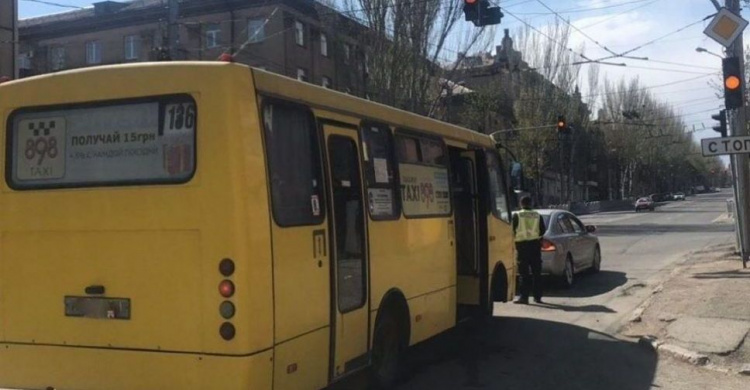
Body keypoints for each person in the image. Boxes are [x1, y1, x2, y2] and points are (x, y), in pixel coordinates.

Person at [512, 196, 546, 304]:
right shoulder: (537, 215)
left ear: (521, 204)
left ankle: (524, 297)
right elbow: (542, 230)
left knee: (524, 273)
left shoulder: (517, 215)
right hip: (535, 245)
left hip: (522, 246)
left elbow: (512, 230)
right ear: (531, 203)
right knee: (537, 272)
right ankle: (538, 297)